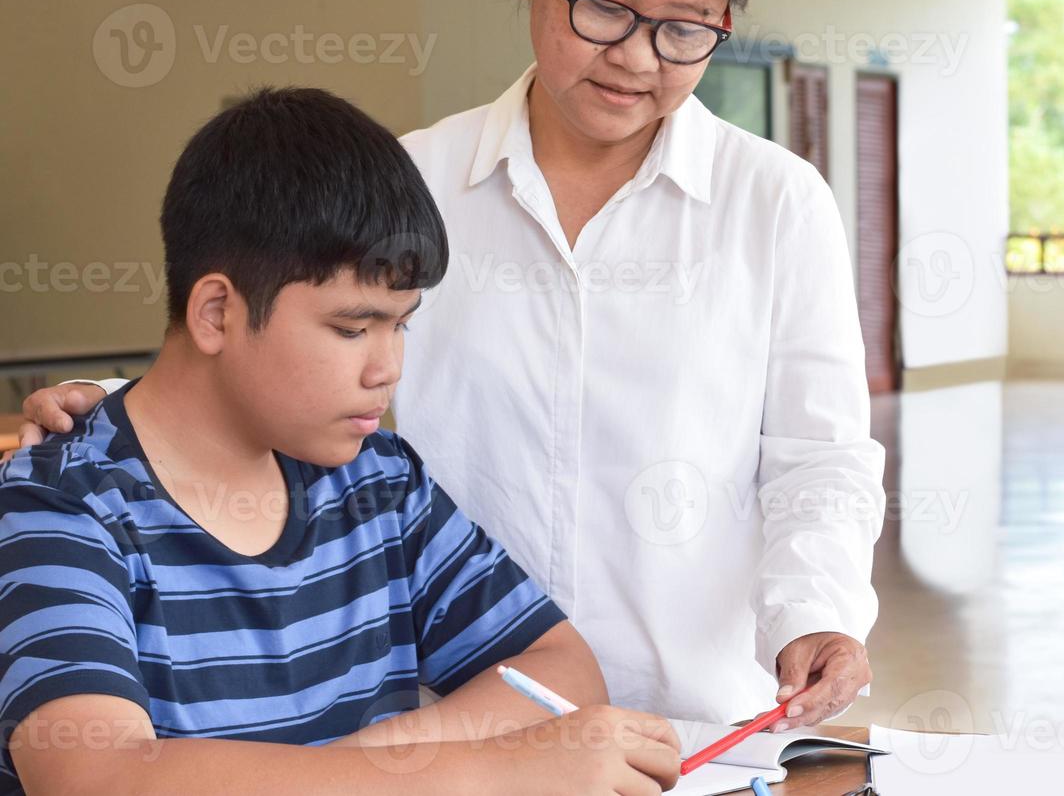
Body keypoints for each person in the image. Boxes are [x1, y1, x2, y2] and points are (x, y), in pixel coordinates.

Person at [19, 0, 884, 729]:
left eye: (683, 29)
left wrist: (816, 613)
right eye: (605, 7)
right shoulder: (418, 181)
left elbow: (818, 457)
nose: (636, 56)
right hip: (459, 719)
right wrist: (118, 405)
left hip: (693, 725)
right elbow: (291, 360)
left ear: (725, 23)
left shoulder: (776, 205)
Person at [0, 89, 679, 796]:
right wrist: (489, 769)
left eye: (400, 325)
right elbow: (95, 779)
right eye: (353, 329)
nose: (387, 367)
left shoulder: (377, 483)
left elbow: (559, 667)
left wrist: (374, 758)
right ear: (216, 313)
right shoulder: (59, 502)